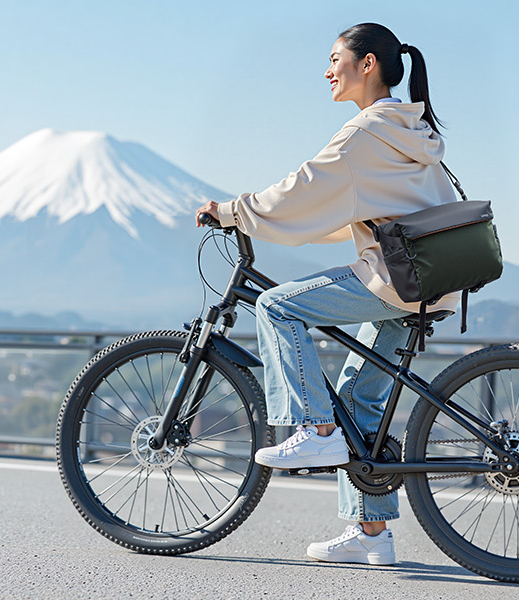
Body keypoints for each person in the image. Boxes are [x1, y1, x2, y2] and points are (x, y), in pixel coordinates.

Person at [195, 22, 460, 566]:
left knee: (275, 305)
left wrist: (232, 211)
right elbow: (346, 207)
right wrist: (284, 223)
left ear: (367, 64)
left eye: (335, 59)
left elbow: (304, 189)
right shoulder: (408, 130)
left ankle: (314, 429)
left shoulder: (366, 134)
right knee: (359, 398)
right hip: (430, 279)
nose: (327, 71)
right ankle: (371, 533)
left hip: (397, 278)